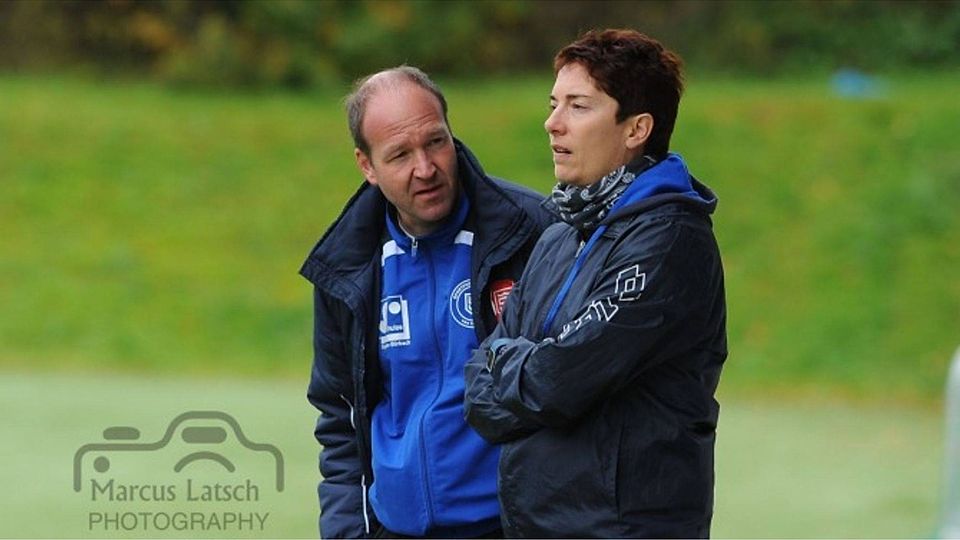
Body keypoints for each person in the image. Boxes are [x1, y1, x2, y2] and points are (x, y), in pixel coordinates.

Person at [464, 29, 727, 538]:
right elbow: (478, 387)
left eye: (578, 106)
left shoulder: (669, 240)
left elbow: (557, 381)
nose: (552, 123)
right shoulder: (560, 232)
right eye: (553, 103)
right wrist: (522, 363)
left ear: (637, 129)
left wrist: (516, 363)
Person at [300, 66, 555, 538]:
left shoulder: (537, 233)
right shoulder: (345, 268)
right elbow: (339, 417)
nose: (426, 168)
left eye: (435, 142)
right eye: (399, 154)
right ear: (367, 166)